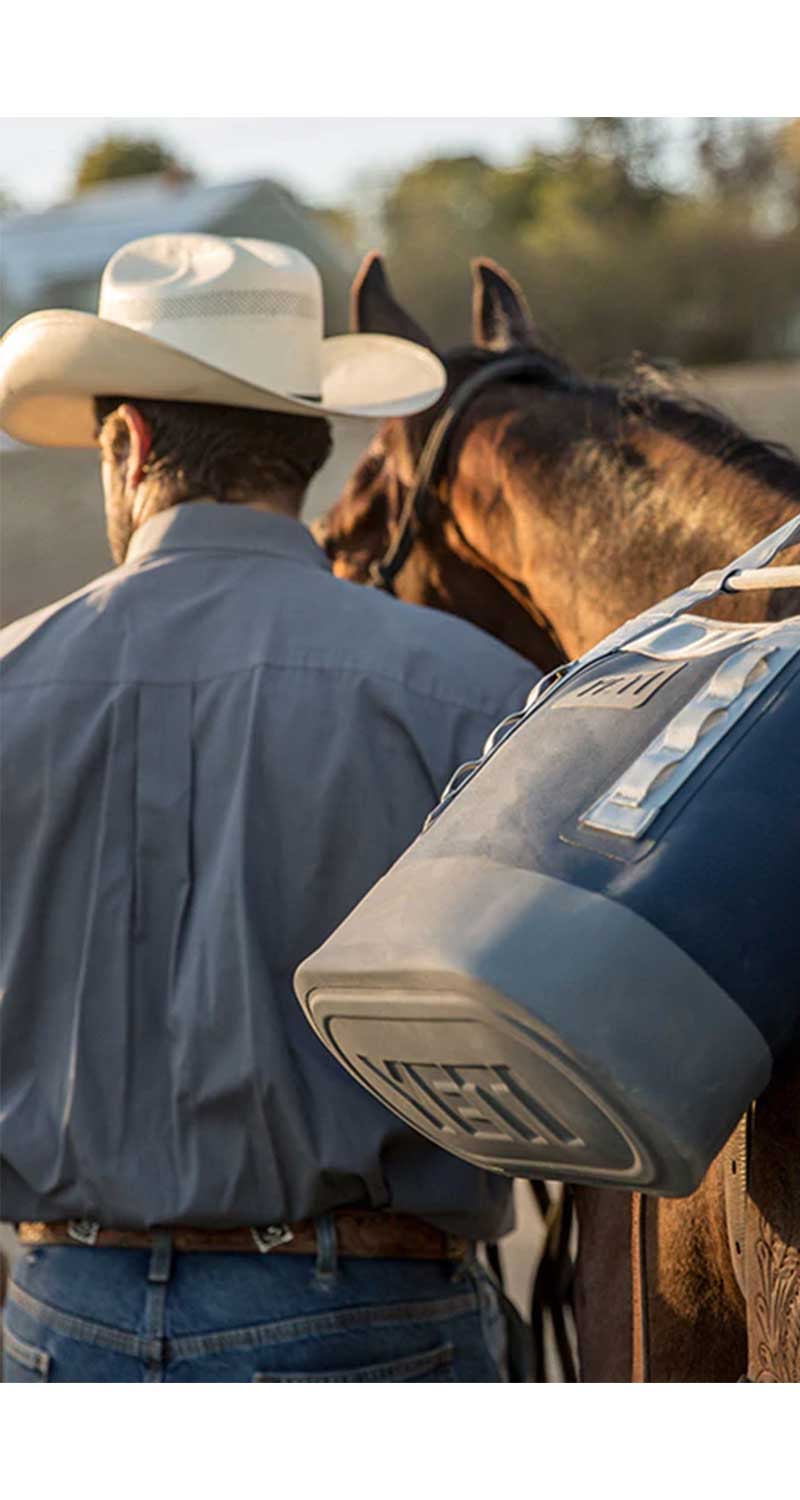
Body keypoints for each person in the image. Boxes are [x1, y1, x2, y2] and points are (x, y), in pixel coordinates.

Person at [0, 234, 539, 1383]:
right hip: (365, 1318)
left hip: (60, 1321)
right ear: (311, 441)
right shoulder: (473, 695)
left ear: (129, 446)